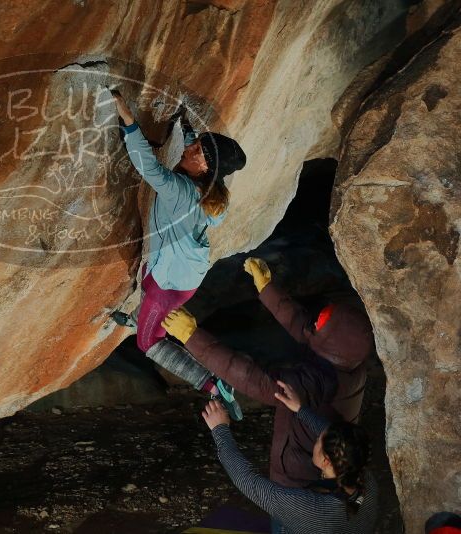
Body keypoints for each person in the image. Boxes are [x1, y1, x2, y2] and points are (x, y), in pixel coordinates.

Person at [161, 256, 375, 491]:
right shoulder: (349, 358)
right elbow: (307, 328)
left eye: (322, 324)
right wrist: (267, 288)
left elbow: (256, 380)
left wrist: (192, 336)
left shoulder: (318, 380)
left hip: (298, 480)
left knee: (289, 519)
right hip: (324, 465)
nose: (315, 323)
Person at [108, 91, 247, 416]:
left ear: (204, 166)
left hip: (168, 282)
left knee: (147, 343)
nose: (189, 149)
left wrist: (128, 118)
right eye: (194, 143)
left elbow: (148, 166)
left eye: (196, 150)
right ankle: (142, 318)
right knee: (148, 280)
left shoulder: (180, 191)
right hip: (185, 278)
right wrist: (185, 128)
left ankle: (214, 384)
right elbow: (196, 152)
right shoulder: (215, 197)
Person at [202, 381, 378, 533]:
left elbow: (250, 482)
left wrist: (220, 430)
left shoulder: (311, 509)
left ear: (326, 461)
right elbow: (333, 434)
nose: (316, 438)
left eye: (318, 440)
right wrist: (300, 409)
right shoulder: (366, 480)